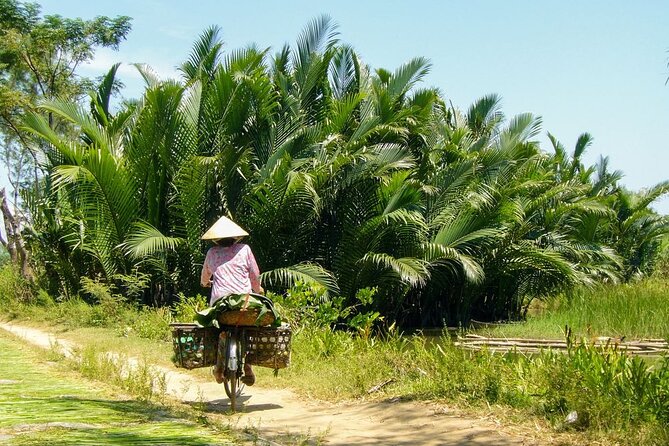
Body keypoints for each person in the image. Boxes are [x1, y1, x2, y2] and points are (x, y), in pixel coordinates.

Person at [200, 216, 263, 386]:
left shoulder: (212, 252)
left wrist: (205, 283)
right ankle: (248, 366)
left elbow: (205, 277)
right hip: (243, 302)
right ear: (236, 237)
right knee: (248, 329)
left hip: (220, 303)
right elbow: (254, 274)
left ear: (216, 239)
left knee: (218, 331)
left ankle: (218, 367)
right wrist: (258, 290)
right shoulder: (245, 249)